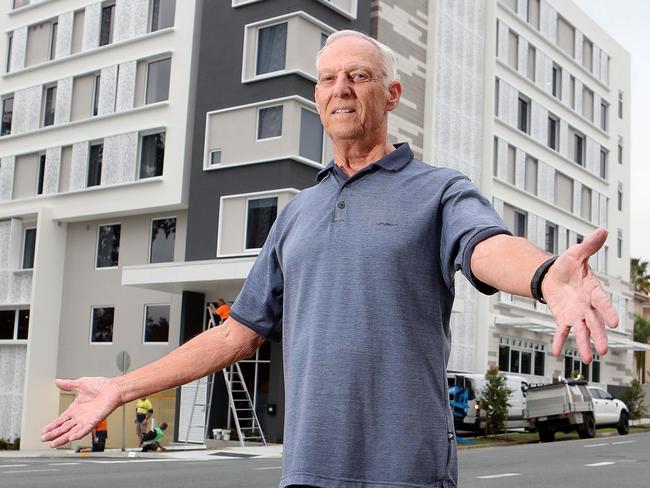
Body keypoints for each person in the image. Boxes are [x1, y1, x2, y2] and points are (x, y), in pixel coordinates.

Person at [42, 30, 619, 488]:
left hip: (407, 471)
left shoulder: (439, 189)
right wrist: (123, 387)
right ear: (317, 97)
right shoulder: (296, 214)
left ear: (390, 94)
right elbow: (232, 337)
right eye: (328, 78)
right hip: (309, 471)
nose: (341, 87)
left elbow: (485, 247)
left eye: (358, 75)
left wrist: (545, 276)